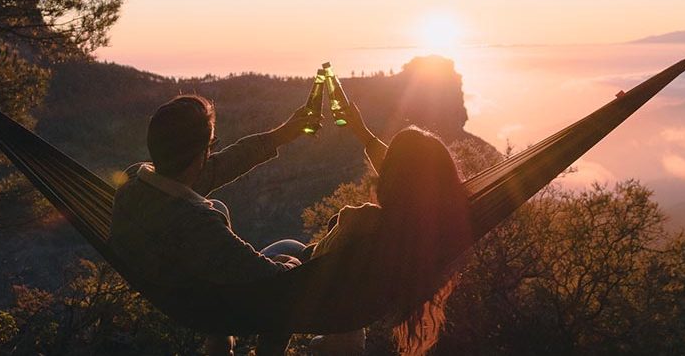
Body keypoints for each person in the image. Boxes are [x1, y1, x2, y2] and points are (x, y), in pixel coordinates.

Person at [109, 94, 316, 355]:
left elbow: (219, 166)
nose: (212, 153)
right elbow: (273, 278)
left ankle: (219, 343)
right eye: (211, 146)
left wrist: (282, 134)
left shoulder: (135, 183)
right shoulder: (195, 224)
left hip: (169, 284)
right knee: (294, 262)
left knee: (230, 212)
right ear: (201, 154)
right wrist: (295, 265)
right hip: (206, 305)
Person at [309, 103, 471, 356]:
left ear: (390, 180)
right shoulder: (437, 223)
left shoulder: (364, 219)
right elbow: (411, 176)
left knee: (285, 250)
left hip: (325, 292)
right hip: (363, 303)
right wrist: (360, 130)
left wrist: (336, 228)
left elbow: (317, 260)